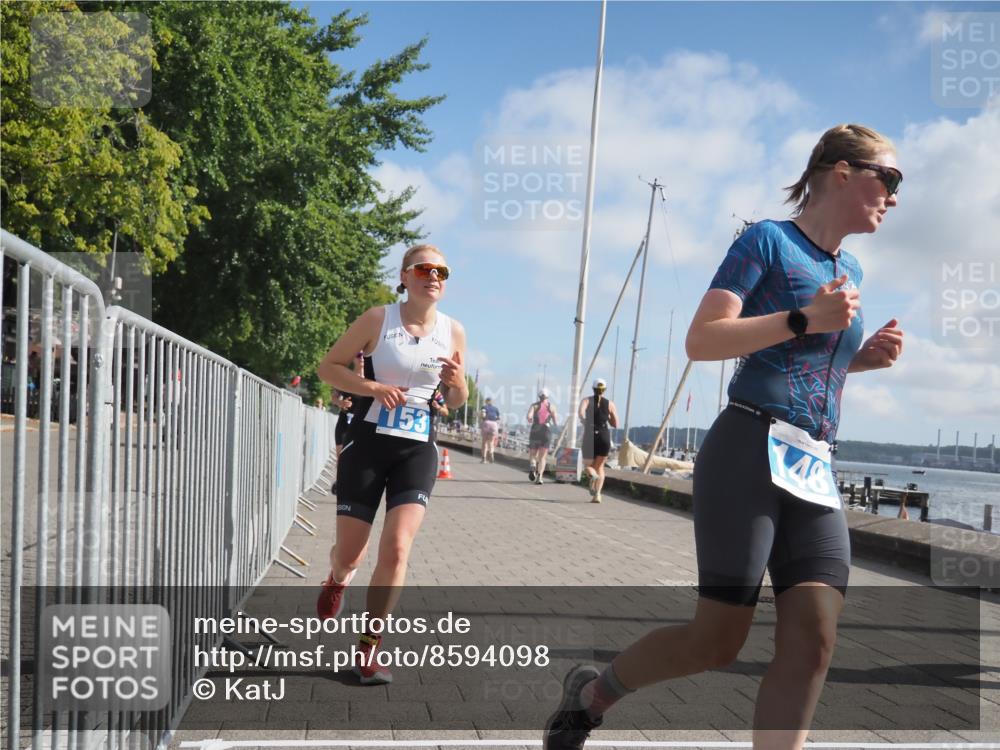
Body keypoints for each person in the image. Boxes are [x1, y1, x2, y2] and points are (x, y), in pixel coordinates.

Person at [544, 124, 905, 750]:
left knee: (816, 638)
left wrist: (860, 357)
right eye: (889, 179)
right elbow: (702, 339)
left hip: (813, 467)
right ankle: (594, 693)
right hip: (748, 452)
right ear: (843, 172)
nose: (895, 197)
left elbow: (806, 362)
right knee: (716, 641)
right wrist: (804, 318)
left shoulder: (850, 268)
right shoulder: (767, 240)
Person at [316, 243, 467, 685]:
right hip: (367, 444)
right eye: (424, 269)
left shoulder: (454, 331)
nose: (433, 276)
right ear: (404, 276)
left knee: (398, 547)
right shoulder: (377, 319)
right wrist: (373, 387)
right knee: (351, 553)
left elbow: (457, 400)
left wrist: (458, 384)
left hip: (417, 449)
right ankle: (337, 578)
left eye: (441, 271)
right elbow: (328, 368)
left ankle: (369, 649)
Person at [578, 378, 618, 504]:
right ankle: (597, 495)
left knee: (587, 466)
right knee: (600, 467)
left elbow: (580, 413)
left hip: (590, 435)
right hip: (604, 436)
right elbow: (615, 423)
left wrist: (584, 420)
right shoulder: (610, 404)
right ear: (604, 390)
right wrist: (607, 416)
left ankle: (593, 476)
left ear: (593, 389)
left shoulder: (586, 400)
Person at [330, 352, 365, 496]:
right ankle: (342, 483)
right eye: (358, 355)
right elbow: (334, 397)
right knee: (341, 456)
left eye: (364, 355)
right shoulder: (345, 377)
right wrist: (340, 403)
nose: (361, 358)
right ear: (353, 358)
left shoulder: (371, 379)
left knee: (359, 456)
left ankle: (356, 484)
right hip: (344, 422)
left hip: (361, 424)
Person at [526, 388, 557, 484]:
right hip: (546, 431)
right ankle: (540, 477)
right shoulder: (552, 407)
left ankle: (533, 466)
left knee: (533, 454)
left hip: (535, 430)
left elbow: (529, 416)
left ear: (539, 396)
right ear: (548, 396)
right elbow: (555, 422)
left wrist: (530, 418)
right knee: (542, 457)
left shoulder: (534, 406)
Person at [480, 397, 501, 463]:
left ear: (486, 401)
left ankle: (484, 459)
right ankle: (491, 453)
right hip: (494, 424)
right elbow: (498, 418)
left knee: (484, 442)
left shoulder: (484, 407)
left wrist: (481, 417)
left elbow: (483, 415)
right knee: (491, 442)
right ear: (492, 402)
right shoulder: (496, 409)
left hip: (486, 423)